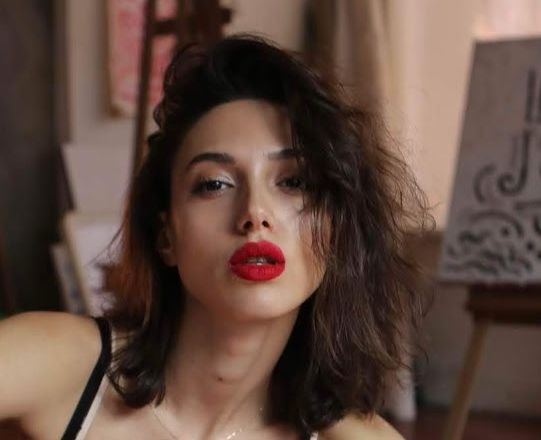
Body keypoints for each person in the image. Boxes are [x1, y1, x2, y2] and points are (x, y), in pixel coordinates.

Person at [0, 35, 428, 439]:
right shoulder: (66, 365)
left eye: (294, 182)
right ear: (166, 236)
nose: (254, 213)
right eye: (214, 184)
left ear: (337, 230)